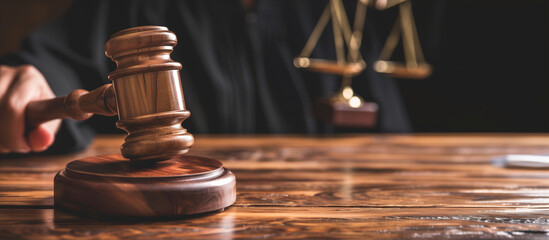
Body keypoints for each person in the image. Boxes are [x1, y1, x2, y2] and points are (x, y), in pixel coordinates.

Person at [0, 0, 412, 154]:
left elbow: (391, 138)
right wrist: (30, 80)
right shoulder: (132, 5)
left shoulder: (334, 12)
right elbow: (55, 62)